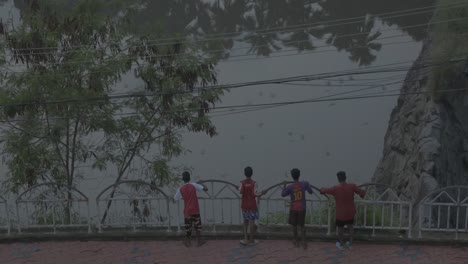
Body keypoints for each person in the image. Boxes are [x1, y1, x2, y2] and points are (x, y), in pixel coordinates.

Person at [320, 171, 365, 250]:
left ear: (338, 179)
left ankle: (341, 244)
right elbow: (361, 193)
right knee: (351, 227)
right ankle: (350, 244)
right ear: (345, 177)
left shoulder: (335, 188)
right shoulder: (352, 186)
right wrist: (362, 193)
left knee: (340, 228)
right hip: (350, 212)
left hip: (340, 214)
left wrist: (321, 190)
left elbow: (324, 190)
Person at [174, 171, 208, 247]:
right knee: (198, 227)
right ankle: (199, 242)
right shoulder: (194, 185)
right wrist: (201, 183)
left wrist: (184, 197)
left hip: (187, 211)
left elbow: (175, 198)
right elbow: (206, 189)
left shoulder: (181, 188)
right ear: (189, 178)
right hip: (195, 209)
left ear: (183, 179)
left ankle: (188, 242)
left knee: (188, 228)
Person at [281, 168, 313, 249]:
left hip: (294, 209)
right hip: (302, 208)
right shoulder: (304, 184)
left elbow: (283, 194)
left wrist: (284, 185)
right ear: (299, 175)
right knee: (302, 226)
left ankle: (296, 240)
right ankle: (304, 241)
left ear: (292, 176)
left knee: (294, 226)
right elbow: (310, 191)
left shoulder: (290, 186)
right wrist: (308, 185)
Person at [239, 166, 264, 245]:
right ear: (252, 173)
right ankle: (251, 240)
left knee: (245, 222)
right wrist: (262, 193)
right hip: (252, 205)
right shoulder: (254, 183)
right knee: (251, 222)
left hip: (244, 205)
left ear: (244, 173)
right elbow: (255, 194)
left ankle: (246, 239)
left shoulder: (242, 182)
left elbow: (240, 191)